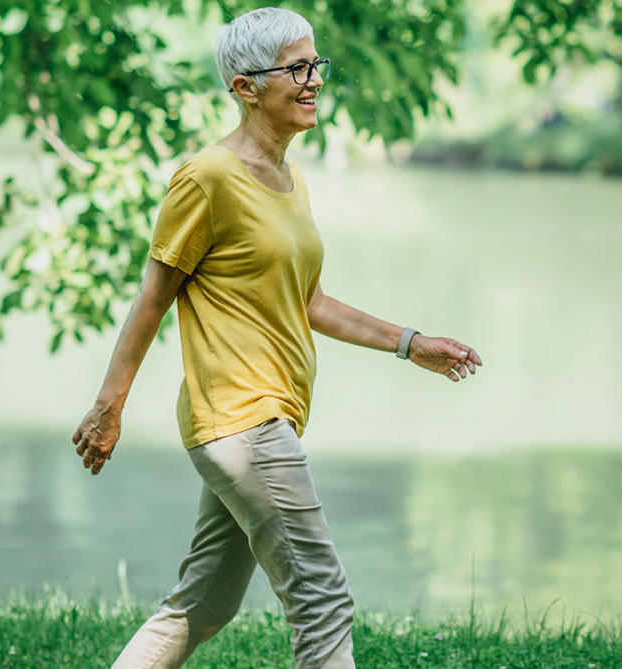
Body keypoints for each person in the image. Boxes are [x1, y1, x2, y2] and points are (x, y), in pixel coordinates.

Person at [71, 7, 483, 668]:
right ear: (245, 87)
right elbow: (154, 296)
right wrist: (109, 404)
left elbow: (309, 300)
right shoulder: (206, 178)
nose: (314, 79)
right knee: (323, 597)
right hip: (243, 421)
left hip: (262, 418)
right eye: (296, 68)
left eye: (315, 64)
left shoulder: (291, 180)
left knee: (204, 603)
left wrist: (410, 341)